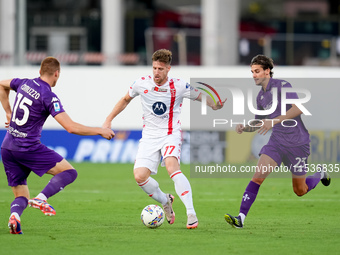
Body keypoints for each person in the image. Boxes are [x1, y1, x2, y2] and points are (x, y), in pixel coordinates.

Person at [102, 49, 226, 229]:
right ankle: (165, 201)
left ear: (168, 68)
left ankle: (191, 213)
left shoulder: (179, 86)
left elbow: (199, 96)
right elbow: (125, 99)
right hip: (149, 136)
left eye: (160, 68)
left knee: (171, 167)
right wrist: (108, 119)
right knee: (139, 176)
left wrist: (214, 105)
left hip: (170, 134)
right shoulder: (141, 83)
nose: (156, 72)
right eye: (154, 68)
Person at [0, 57, 115, 234]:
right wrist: (99, 131)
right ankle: (41, 198)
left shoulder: (23, 83)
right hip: (28, 148)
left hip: (7, 147)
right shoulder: (48, 96)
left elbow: (1, 84)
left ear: (39, 71)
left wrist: (8, 112)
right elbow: (70, 127)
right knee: (69, 172)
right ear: (57, 73)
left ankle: (15, 217)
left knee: (22, 195)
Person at [224, 54, 331, 229]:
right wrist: (245, 128)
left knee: (300, 190)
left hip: (297, 143)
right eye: (252, 72)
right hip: (277, 143)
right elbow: (259, 121)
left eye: (257, 71)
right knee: (257, 177)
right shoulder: (261, 97)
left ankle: (319, 173)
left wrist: (274, 121)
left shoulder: (282, 86)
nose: (254, 75)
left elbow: (299, 108)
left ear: (267, 71)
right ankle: (241, 218)